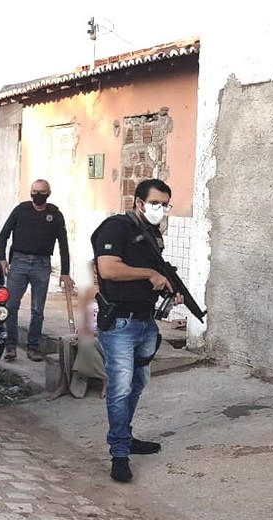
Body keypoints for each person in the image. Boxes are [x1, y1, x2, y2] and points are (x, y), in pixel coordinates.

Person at [91, 178, 183, 483]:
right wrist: (150, 273)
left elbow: (152, 278)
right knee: (119, 389)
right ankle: (119, 453)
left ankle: (125, 436)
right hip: (119, 324)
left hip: (145, 322)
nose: (160, 209)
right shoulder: (115, 228)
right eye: (155, 203)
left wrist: (170, 290)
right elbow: (108, 269)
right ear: (139, 202)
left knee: (138, 383)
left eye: (165, 204)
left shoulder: (152, 234)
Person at [0, 179, 74, 362]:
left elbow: (63, 244)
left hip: (42, 264)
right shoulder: (21, 210)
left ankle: (33, 347)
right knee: (11, 305)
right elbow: (4, 234)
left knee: (37, 309)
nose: (37, 194)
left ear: (48, 193)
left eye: (41, 191)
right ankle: (10, 346)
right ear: (30, 192)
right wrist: (2, 259)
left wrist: (65, 272)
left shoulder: (55, 215)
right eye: (34, 191)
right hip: (19, 262)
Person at [69, 261, 107, 399]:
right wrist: (79, 333)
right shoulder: (88, 292)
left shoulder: (111, 292)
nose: (96, 276)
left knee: (86, 343)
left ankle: (105, 379)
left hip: (105, 333)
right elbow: (85, 319)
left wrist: (87, 335)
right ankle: (66, 383)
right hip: (88, 332)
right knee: (65, 341)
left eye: (99, 273)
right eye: (93, 273)